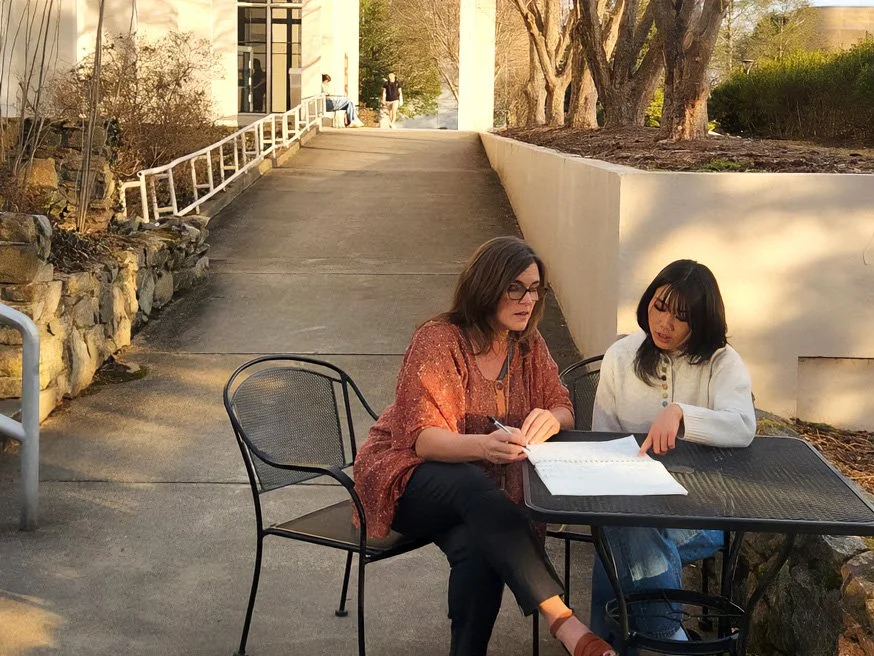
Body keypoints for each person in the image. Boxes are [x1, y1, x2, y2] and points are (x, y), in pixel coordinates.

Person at [354, 236, 615, 656]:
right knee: (474, 486)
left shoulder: (526, 342)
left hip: (478, 500)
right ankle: (563, 622)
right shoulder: (438, 339)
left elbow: (562, 403)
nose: (527, 299)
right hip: (404, 477)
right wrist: (485, 447)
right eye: (515, 287)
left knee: (478, 546)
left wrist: (552, 419)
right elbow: (423, 440)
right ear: (486, 284)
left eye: (534, 289)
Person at [590, 259, 756, 648]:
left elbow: (743, 425)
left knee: (619, 540)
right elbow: (603, 439)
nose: (664, 323)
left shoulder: (721, 361)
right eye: (659, 307)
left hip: (703, 512)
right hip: (630, 503)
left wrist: (682, 414)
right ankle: (672, 643)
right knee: (628, 528)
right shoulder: (621, 356)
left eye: (680, 317)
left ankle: (617, 643)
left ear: (702, 320)